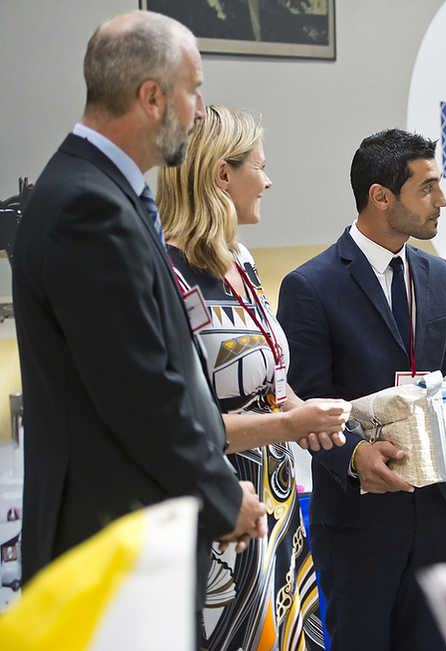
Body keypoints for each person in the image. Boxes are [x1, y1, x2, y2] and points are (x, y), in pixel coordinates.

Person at [11, 10, 266, 604]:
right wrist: (222, 495)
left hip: (130, 530)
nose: (200, 109)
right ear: (152, 97)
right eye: (193, 90)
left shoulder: (105, 190)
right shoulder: (87, 206)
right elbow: (139, 388)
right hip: (107, 542)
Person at [156, 105, 352, 651]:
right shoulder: (165, 276)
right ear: (222, 174)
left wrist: (311, 414)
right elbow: (187, 425)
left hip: (279, 501)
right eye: (258, 167)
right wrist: (291, 425)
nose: (268, 180)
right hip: (220, 506)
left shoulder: (238, 259)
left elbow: (271, 382)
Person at [277, 128, 446, 651]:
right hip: (358, 523)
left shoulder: (440, 275)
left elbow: (440, 379)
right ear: (380, 196)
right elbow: (303, 400)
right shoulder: (310, 286)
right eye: (427, 188)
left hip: (435, 517)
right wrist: (355, 455)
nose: (441, 201)